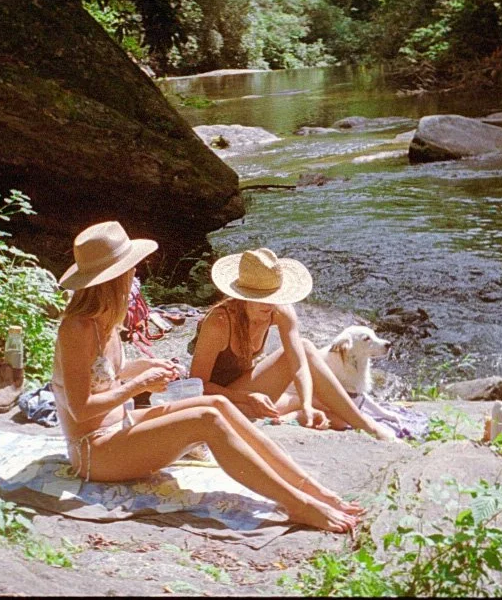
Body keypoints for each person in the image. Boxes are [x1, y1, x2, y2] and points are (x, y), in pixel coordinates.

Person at [50, 221, 364, 533]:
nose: (136, 275)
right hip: (94, 452)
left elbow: (106, 377)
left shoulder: (105, 321)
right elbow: (81, 407)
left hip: (121, 427)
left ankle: (310, 489)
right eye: (131, 269)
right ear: (113, 279)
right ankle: (296, 503)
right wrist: (138, 385)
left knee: (216, 404)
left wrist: (143, 369)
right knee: (206, 420)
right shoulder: (77, 329)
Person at [188, 247, 400, 442]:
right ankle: (366, 425)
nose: (269, 305)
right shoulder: (220, 322)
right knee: (331, 413)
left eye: (273, 297)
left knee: (331, 409)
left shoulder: (280, 312)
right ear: (243, 297)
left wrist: (307, 403)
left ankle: (311, 413)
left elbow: (299, 364)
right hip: (219, 397)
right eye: (260, 299)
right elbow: (196, 385)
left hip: (251, 390)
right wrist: (246, 397)